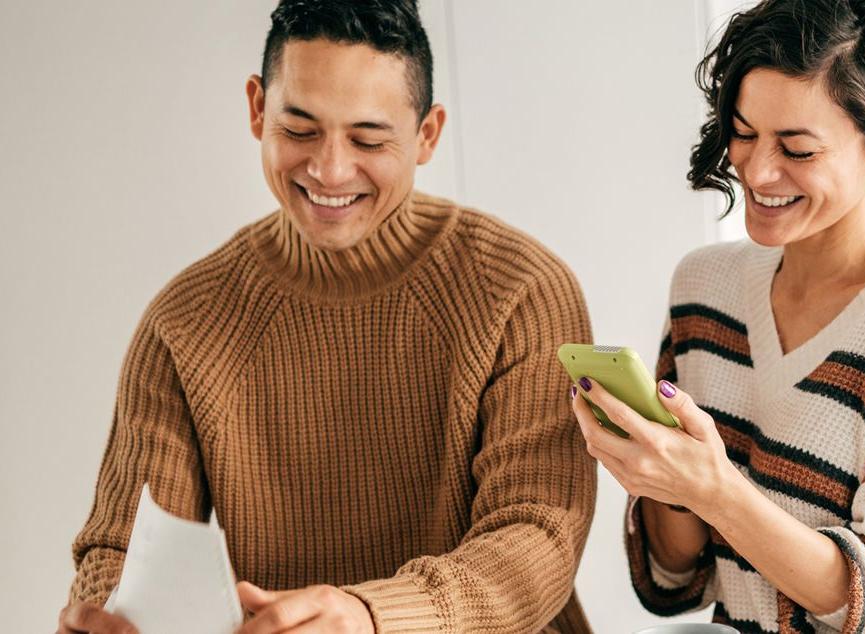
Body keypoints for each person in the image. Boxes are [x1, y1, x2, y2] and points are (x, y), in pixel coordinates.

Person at [57, 1, 596, 632]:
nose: (329, 170)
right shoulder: (185, 321)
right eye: (300, 130)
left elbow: (536, 544)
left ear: (427, 135)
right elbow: (123, 549)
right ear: (258, 109)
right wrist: (113, 612)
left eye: (368, 138)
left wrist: (371, 617)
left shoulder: (522, 292)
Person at [571, 0, 865, 631]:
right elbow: (675, 582)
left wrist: (715, 489)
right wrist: (661, 476)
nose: (756, 169)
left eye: (797, 149)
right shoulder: (705, 287)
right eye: (745, 131)